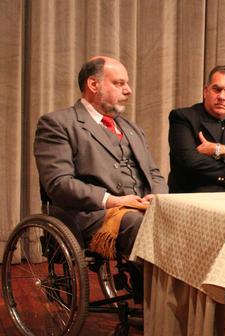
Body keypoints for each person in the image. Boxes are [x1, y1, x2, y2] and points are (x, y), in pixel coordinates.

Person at [34, 56, 168, 257]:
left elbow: (153, 173)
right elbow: (58, 183)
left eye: (127, 83)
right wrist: (111, 200)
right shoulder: (58, 124)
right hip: (91, 214)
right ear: (93, 84)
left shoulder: (132, 128)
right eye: (119, 83)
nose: (128, 90)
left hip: (140, 207)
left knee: (185, 220)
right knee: (139, 224)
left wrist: (156, 197)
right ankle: (152, 288)